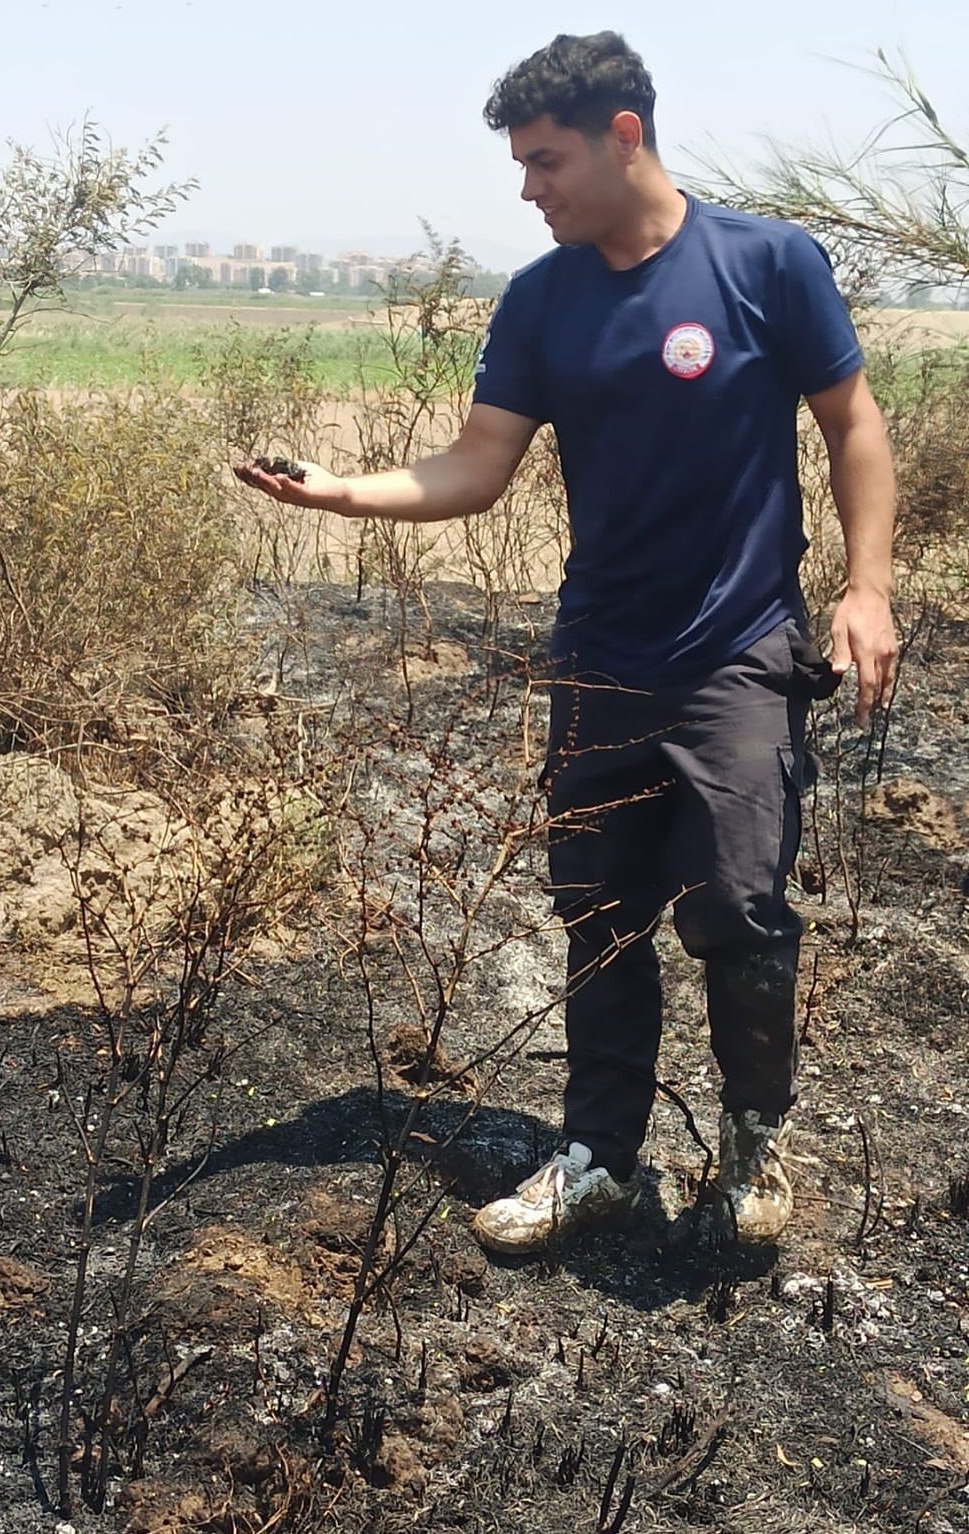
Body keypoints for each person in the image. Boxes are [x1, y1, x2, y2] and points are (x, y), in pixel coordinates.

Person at [235, 31, 898, 1252]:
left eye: (543, 162)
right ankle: (596, 1153)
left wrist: (865, 587)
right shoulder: (541, 299)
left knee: (740, 905)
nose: (526, 189)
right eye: (520, 167)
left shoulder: (763, 261)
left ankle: (753, 1148)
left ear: (623, 135)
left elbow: (850, 423)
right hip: (599, 651)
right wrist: (338, 495)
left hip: (737, 648)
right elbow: (475, 466)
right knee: (594, 912)